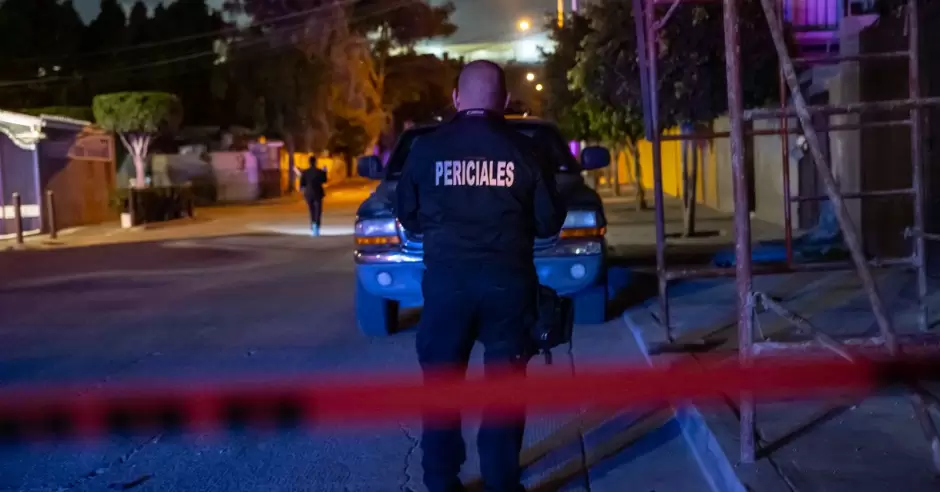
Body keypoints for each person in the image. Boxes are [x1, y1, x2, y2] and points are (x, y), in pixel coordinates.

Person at [395, 60, 566, 492]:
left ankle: (441, 482)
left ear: (456, 98)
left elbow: (408, 217)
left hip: (446, 287)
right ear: (504, 101)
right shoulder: (527, 151)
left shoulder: (426, 150)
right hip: (507, 287)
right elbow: (549, 222)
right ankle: (501, 482)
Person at [298, 157, 328, 236]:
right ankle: (317, 227)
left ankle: (313, 225)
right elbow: (324, 180)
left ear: (309, 162)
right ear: (315, 162)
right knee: (318, 211)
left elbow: (302, 184)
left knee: (311, 210)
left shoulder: (305, 172)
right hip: (318, 193)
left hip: (308, 194)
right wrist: (325, 172)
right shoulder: (319, 171)